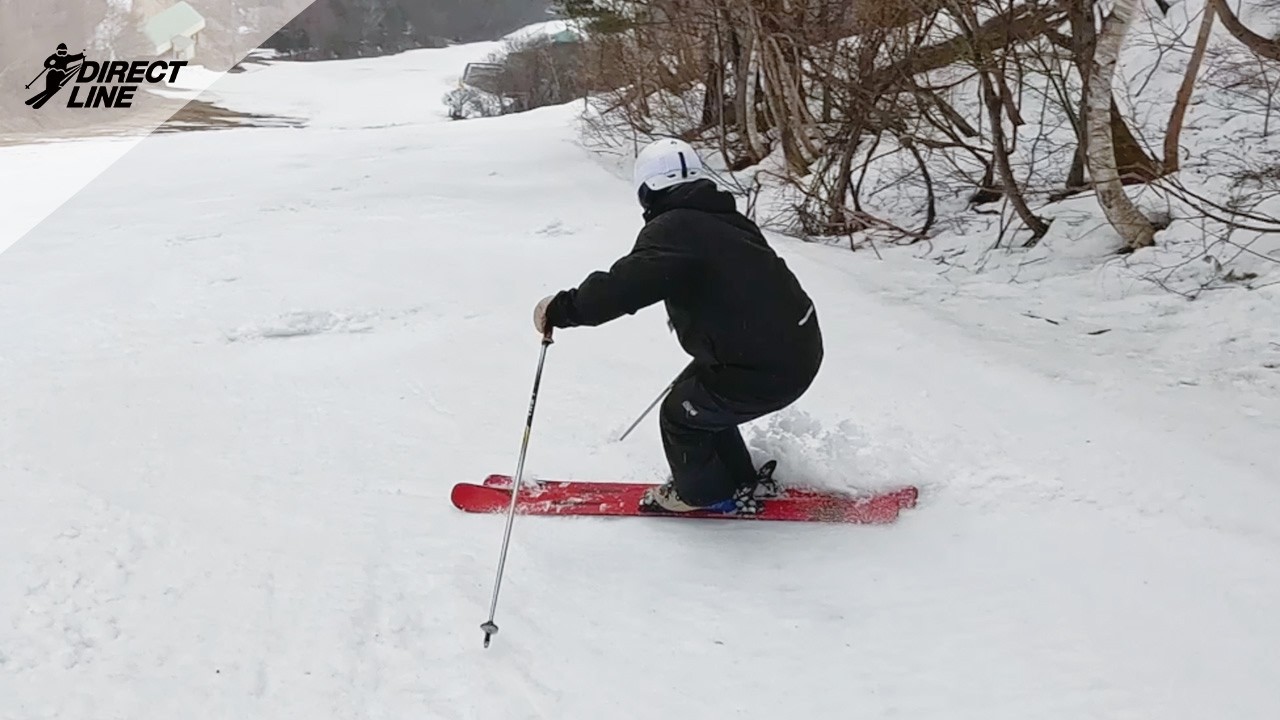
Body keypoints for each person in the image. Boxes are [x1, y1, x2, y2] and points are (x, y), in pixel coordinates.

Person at [533, 138, 823, 514]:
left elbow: (626, 286)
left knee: (680, 414)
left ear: (646, 190)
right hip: (791, 347)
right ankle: (735, 478)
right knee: (697, 396)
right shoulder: (725, 219)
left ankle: (702, 495)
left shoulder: (675, 229)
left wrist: (562, 309)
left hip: (766, 367)